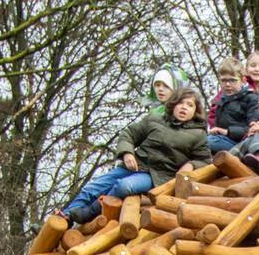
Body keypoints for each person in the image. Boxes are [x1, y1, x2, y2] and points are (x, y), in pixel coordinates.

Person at [60, 87, 210, 226]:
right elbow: (129, 134)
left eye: (190, 105)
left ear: (196, 111)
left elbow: (204, 160)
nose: (184, 107)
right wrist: (127, 153)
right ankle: (65, 216)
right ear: (173, 104)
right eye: (180, 103)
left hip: (158, 176)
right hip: (135, 164)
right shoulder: (154, 119)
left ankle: (89, 213)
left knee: (124, 186)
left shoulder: (199, 134)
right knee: (95, 186)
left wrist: (191, 165)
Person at [204, 58, 259, 157]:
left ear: (243, 81)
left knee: (206, 142)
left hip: (242, 143)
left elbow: (252, 129)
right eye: (224, 80)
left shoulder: (251, 99)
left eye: (232, 80)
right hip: (223, 139)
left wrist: (227, 132)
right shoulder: (221, 101)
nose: (228, 84)